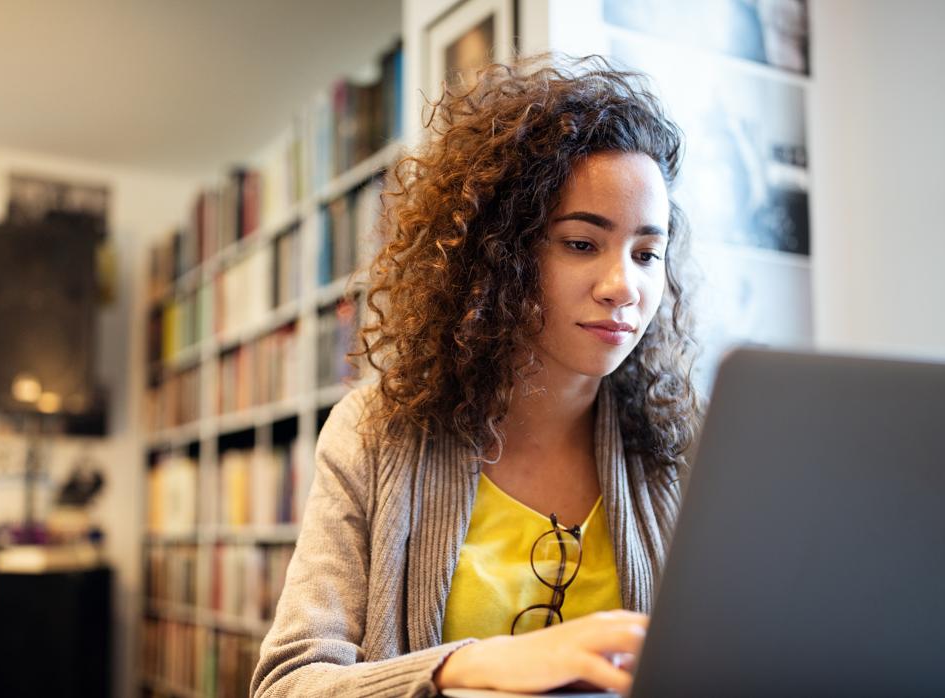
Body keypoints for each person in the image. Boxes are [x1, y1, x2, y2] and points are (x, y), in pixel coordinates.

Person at [251, 54, 702, 697]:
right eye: (581, 243)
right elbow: (287, 683)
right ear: (501, 253)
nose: (622, 287)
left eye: (646, 254)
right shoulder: (376, 431)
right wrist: (466, 666)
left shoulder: (684, 445)